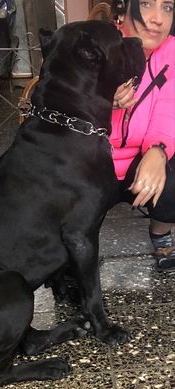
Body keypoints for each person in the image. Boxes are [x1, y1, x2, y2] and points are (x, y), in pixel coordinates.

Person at [109, 0, 175, 271]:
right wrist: (100, 99)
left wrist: (158, 151)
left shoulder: (172, 51)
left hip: (141, 155)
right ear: (122, 10)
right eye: (146, 4)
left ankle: (160, 232)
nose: (158, 19)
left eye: (168, 7)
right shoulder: (95, 45)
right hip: (93, 156)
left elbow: (170, 107)